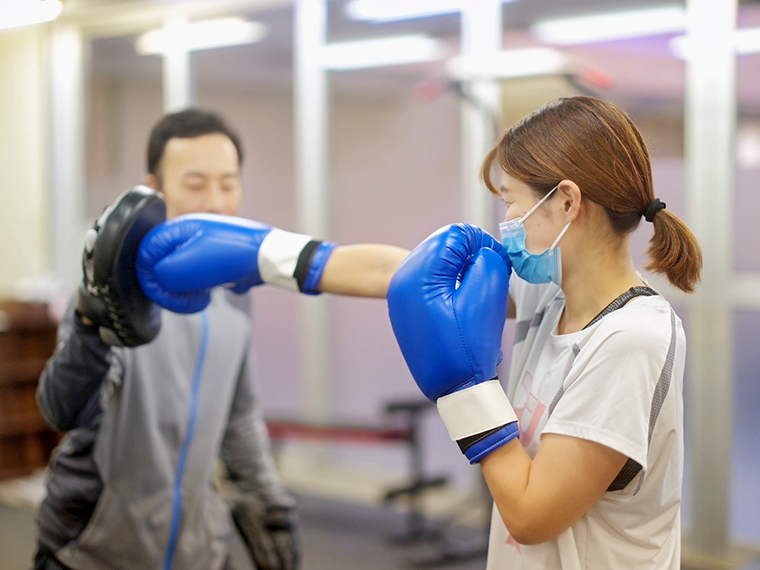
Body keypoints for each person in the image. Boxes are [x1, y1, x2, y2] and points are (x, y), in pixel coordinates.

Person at [35, 109, 408, 570]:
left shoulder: (234, 289)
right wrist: (93, 322)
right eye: (195, 184)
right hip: (92, 551)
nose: (216, 201)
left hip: (198, 550)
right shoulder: (114, 283)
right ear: (155, 189)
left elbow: (240, 412)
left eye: (228, 182)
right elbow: (64, 410)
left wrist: (270, 503)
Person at [386, 96, 702, 569]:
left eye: (511, 199)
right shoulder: (552, 297)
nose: (506, 219)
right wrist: (288, 259)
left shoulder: (631, 339)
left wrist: (467, 393)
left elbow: (532, 517)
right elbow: (396, 271)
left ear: (568, 201)